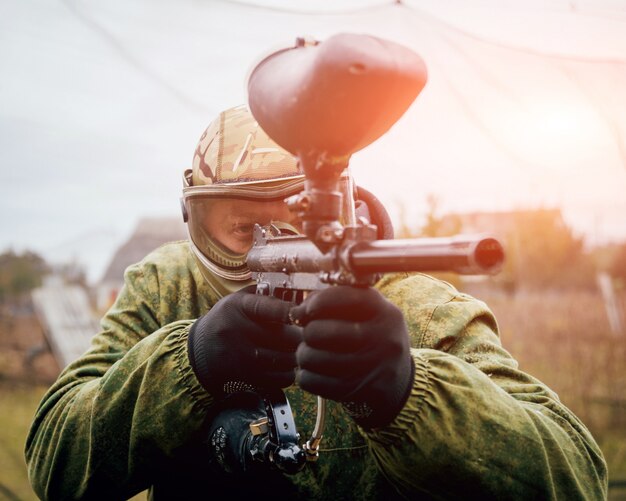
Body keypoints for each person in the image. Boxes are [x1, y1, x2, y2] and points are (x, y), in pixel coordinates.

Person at [26, 104, 607, 500]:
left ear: (344, 212)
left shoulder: (420, 312)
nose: (280, 253)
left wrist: (410, 393)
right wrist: (191, 360)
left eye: (302, 227)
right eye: (245, 228)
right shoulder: (168, 287)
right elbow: (57, 464)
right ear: (196, 222)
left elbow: (575, 477)